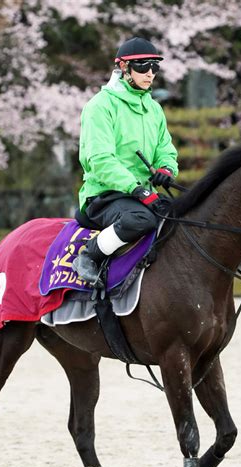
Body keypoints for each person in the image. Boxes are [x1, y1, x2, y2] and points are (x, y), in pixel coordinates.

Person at [72, 36, 178, 288]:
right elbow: (100, 159)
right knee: (141, 220)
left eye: (155, 66)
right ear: (123, 68)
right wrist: (135, 188)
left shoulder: (154, 109)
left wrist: (165, 169)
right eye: (142, 65)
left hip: (142, 195)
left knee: (184, 216)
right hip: (104, 195)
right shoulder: (100, 106)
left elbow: (166, 149)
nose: (150, 73)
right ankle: (89, 255)